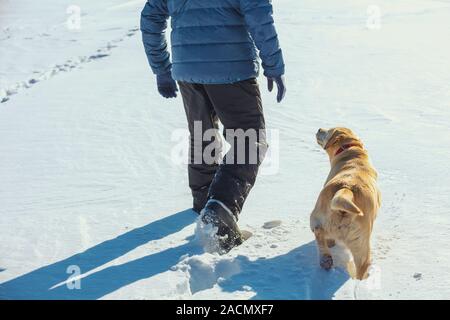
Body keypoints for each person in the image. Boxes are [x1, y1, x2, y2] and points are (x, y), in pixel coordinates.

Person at [141, 0, 286, 253]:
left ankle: (204, 205)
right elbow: (259, 16)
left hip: (188, 70)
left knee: (203, 136)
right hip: (232, 69)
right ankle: (220, 208)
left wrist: (161, 68)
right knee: (249, 140)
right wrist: (274, 65)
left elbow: (151, 18)